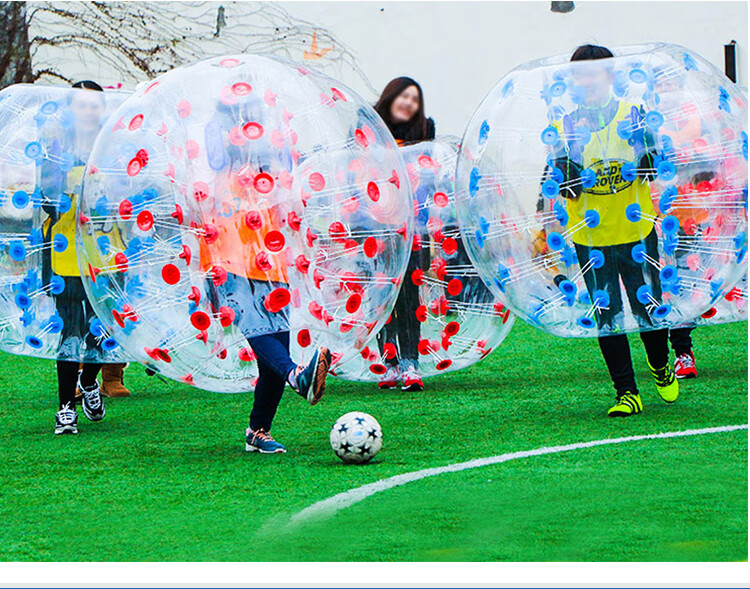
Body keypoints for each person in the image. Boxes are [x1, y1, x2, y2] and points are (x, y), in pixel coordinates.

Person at [547, 45, 679, 417]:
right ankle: (626, 392)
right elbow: (560, 183)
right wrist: (570, 172)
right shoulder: (562, 127)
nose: (587, 80)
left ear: (610, 75)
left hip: (637, 231)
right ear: (573, 80)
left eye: (594, 72)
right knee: (607, 317)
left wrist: (644, 155)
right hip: (591, 239)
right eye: (580, 73)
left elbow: (656, 166)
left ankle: (659, 362)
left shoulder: (634, 115)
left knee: (648, 310)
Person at [203, 96, 330, 454]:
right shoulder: (219, 157)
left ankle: (258, 431)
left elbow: (291, 169)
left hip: (270, 262)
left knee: (275, 340)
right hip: (227, 260)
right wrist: (237, 133)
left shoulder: (272, 168)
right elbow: (214, 154)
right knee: (258, 331)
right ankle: (296, 376)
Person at [41, 80, 109, 434]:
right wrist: (68, 193)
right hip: (64, 253)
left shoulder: (113, 147)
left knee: (105, 327)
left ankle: (89, 382)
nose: (88, 110)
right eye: (81, 104)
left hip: (105, 252)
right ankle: (66, 407)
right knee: (72, 329)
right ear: (71, 110)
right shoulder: (56, 150)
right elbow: (46, 202)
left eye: (94, 104)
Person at [373, 77, 435, 391]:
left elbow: (431, 175)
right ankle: (389, 361)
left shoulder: (424, 133)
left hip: (413, 227)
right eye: (404, 96)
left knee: (409, 296)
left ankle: (410, 364)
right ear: (391, 97)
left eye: (415, 99)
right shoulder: (367, 128)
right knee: (380, 294)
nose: (409, 103)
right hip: (374, 227)